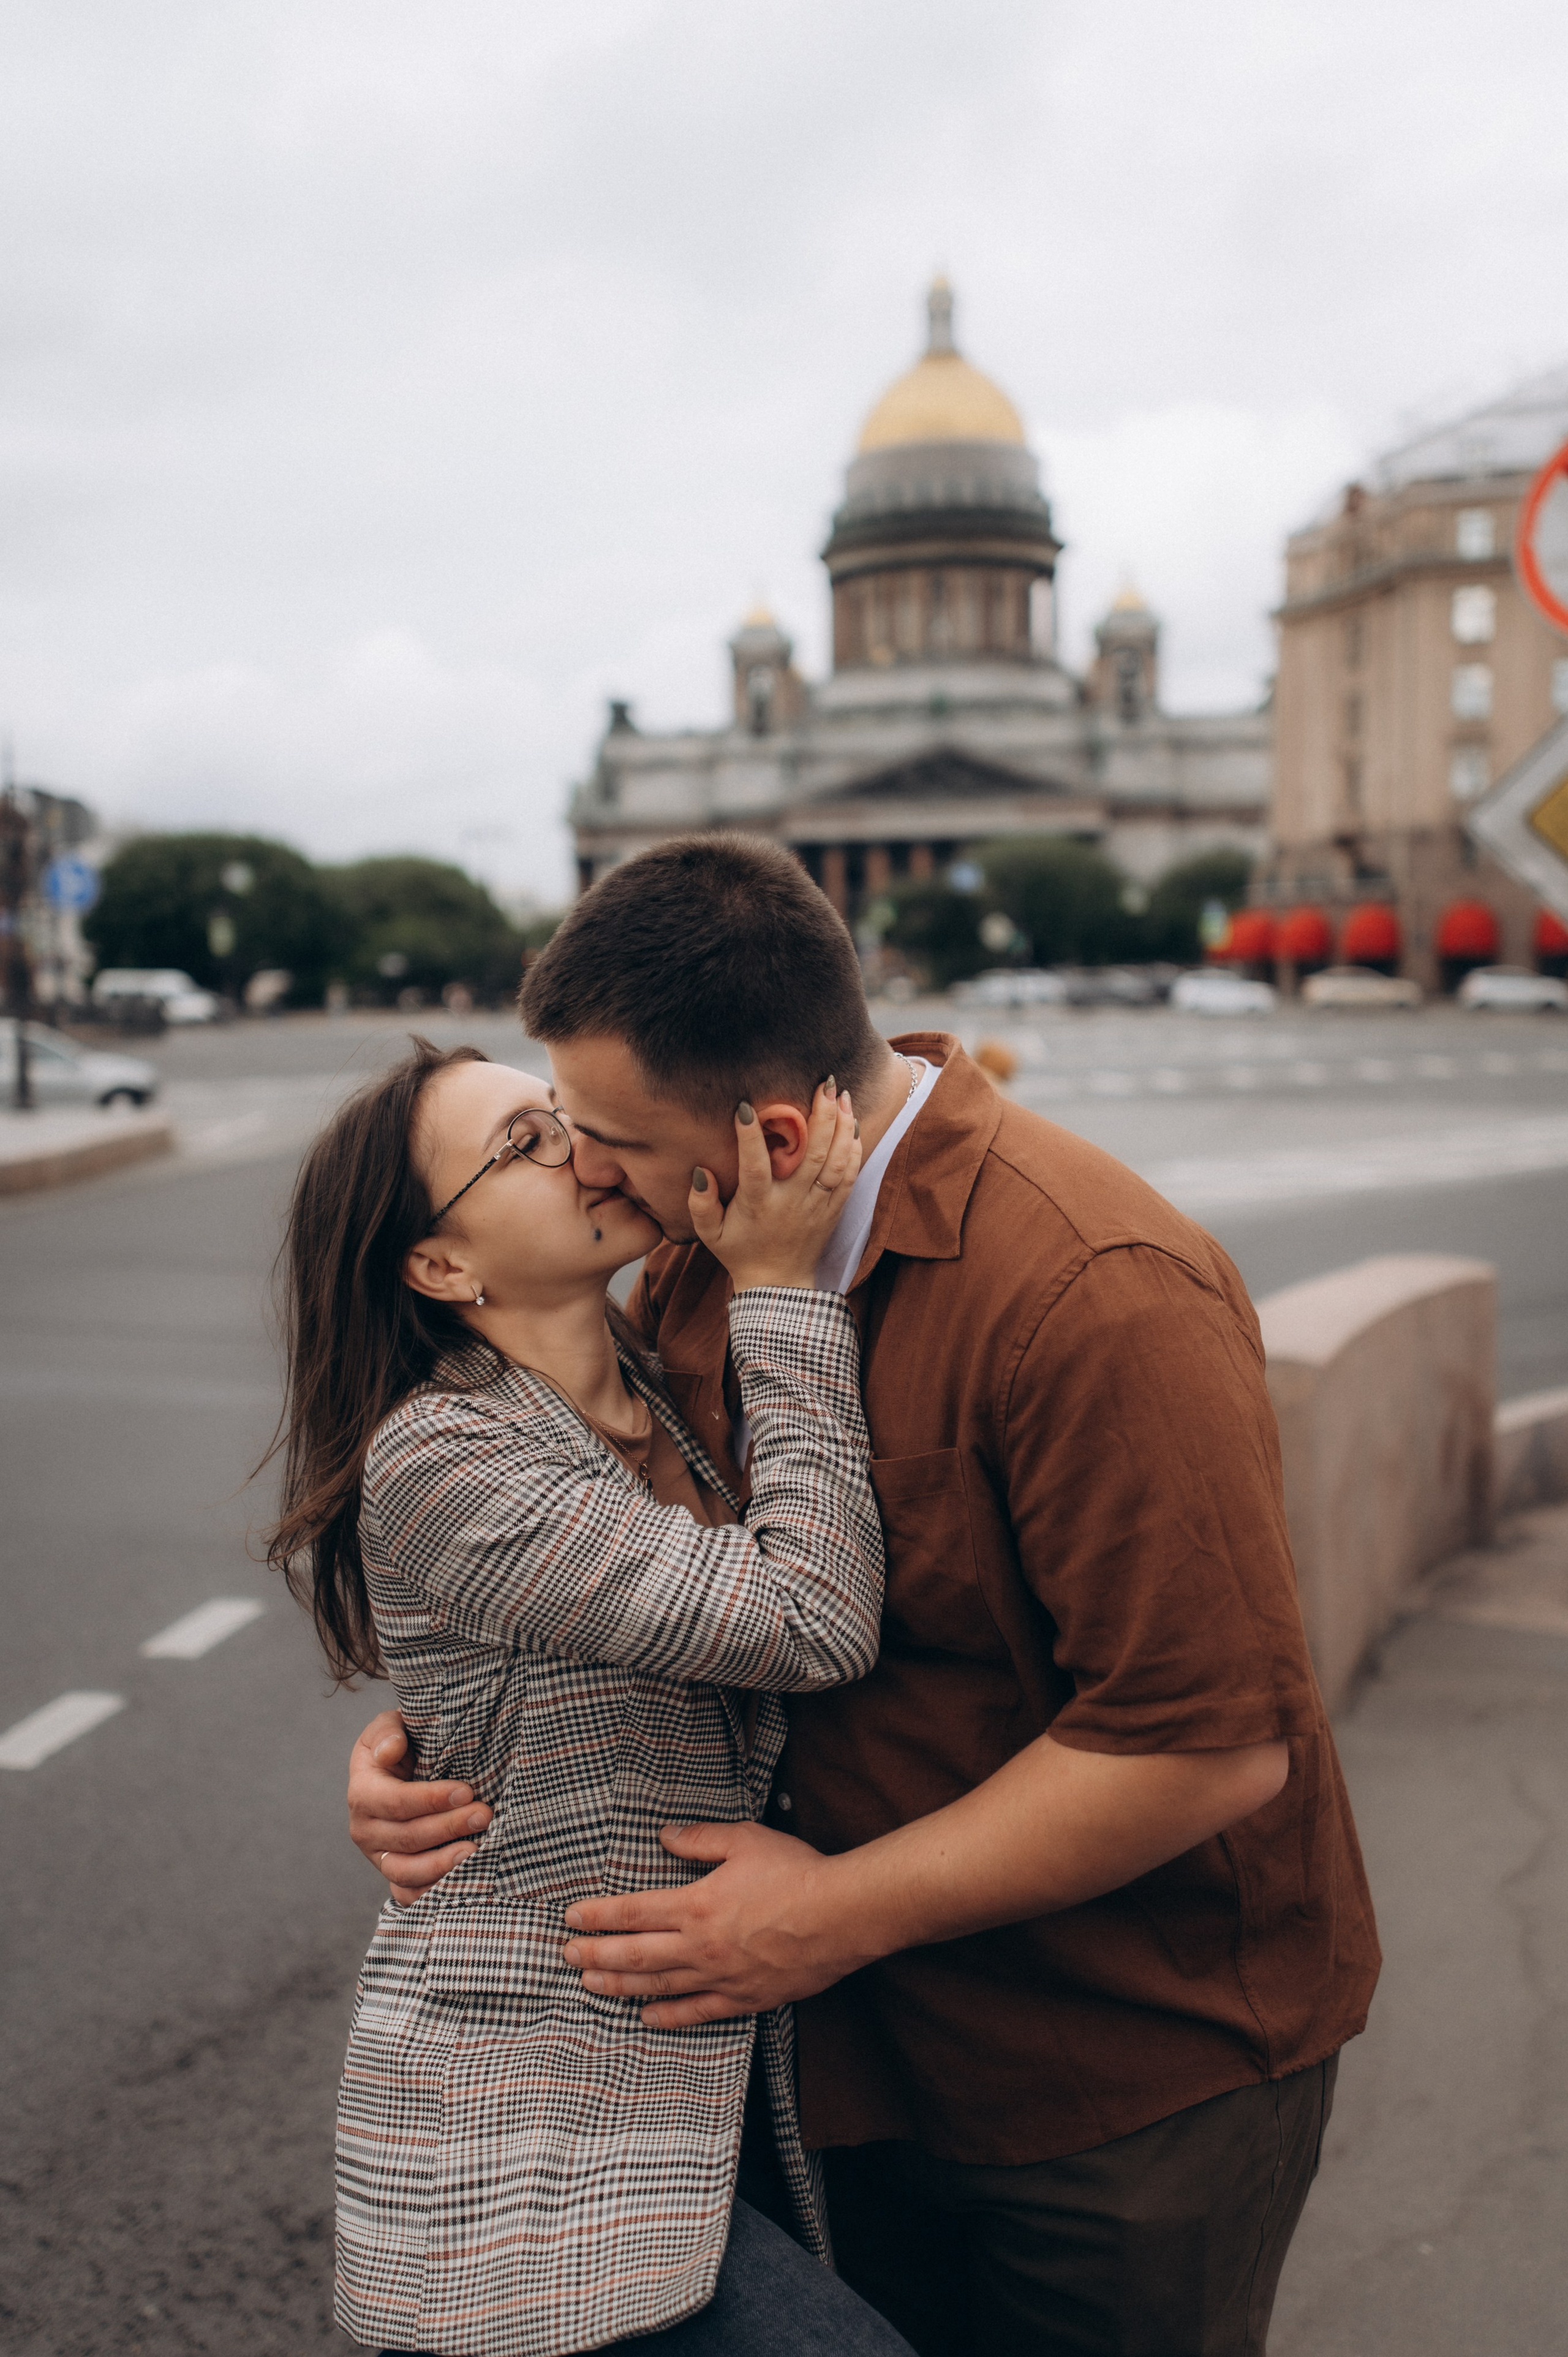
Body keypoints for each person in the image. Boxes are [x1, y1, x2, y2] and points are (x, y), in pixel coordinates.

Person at [349, 836, 1382, 2357]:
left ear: (770, 1129)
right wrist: (443, 1747)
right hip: (840, 2059)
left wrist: (823, 1916)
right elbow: (636, 1579)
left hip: (1112, 2074)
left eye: (604, 1137)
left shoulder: (1096, 1289)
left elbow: (1202, 1747)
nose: (582, 1171)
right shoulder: (707, 1244)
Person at [267, 1034, 917, 2357]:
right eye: (522, 1143)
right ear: (442, 1267)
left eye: (556, 1112)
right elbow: (810, 1617)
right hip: (534, 2110)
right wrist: (783, 1290)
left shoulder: (653, 1385)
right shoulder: (446, 1450)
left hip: (720, 2058)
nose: (579, 1145)